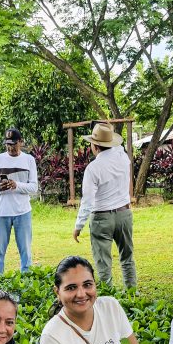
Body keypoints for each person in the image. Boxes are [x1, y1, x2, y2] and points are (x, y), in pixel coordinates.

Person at [72, 122, 136, 289]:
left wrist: (78, 225)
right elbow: (119, 148)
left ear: (95, 146)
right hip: (124, 214)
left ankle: (108, 296)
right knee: (127, 258)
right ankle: (132, 295)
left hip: (101, 217)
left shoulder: (93, 168)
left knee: (103, 263)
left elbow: (87, 201)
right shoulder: (123, 158)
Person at [0, 127, 39, 275]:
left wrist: (17, 185)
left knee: (26, 251)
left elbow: (34, 187)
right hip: (1, 211)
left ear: (21, 142)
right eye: (8, 144)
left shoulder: (29, 160)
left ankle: (26, 280)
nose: (11, 147)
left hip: (23, 211)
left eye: (14, 144)